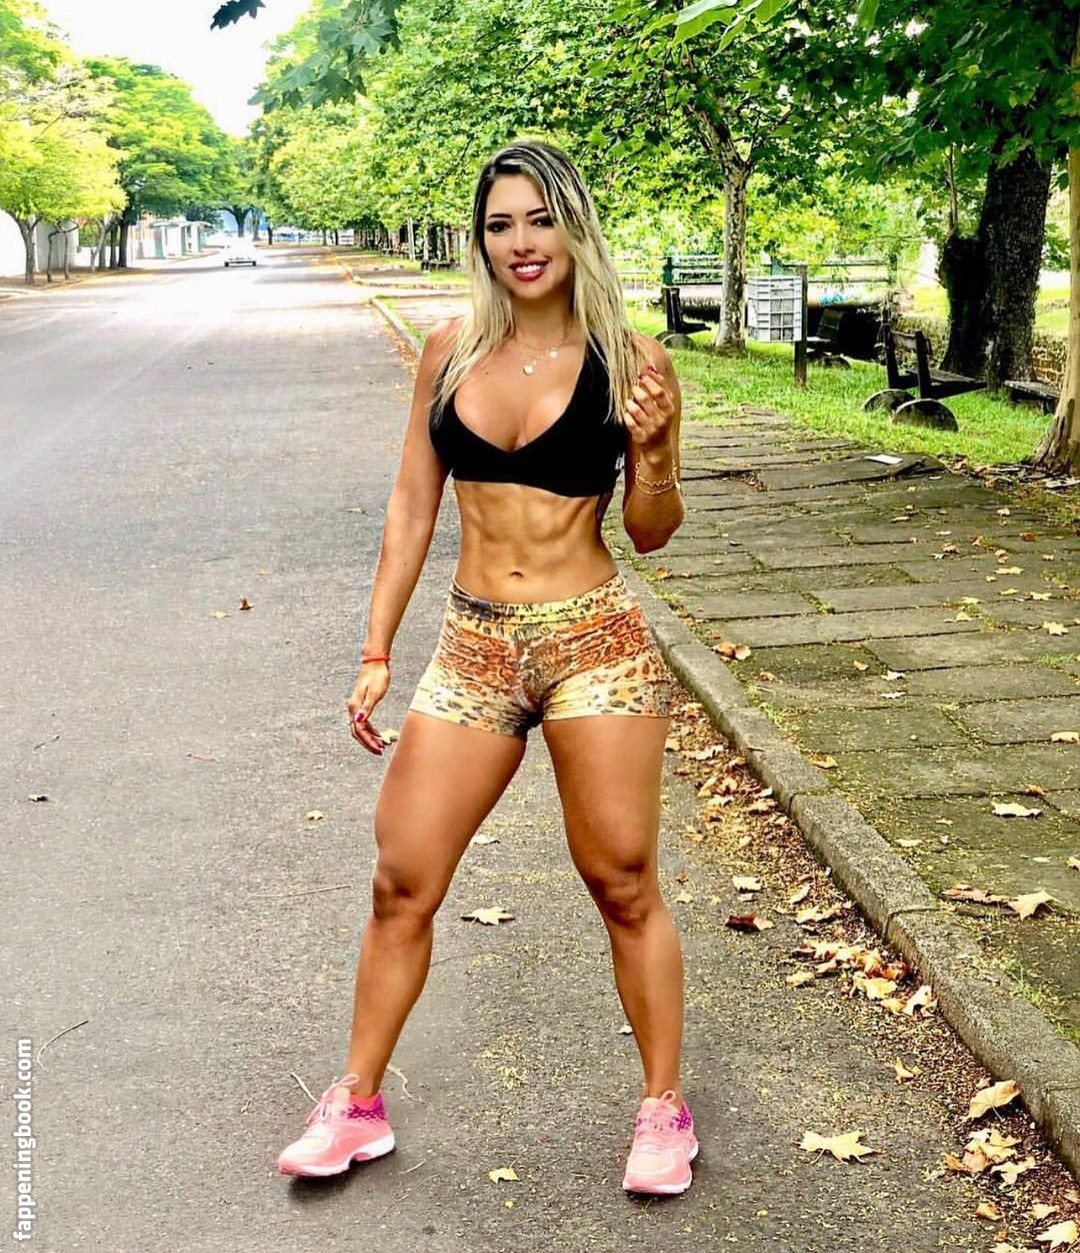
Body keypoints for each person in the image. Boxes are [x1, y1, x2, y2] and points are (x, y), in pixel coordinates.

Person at [277, 139, 695, 1196]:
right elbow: (412, 505)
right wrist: (377, 648)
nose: (522, 242)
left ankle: (663, 1108)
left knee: (622, 879)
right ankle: (356, 1102)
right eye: (501, 223)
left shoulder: (634, 358)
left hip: (593, 640)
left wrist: (653, 453)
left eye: (541, 219)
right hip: (473, 645)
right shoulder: (449, 350)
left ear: (575, 228)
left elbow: (652, 530)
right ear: (481, 239)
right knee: (401, 876)